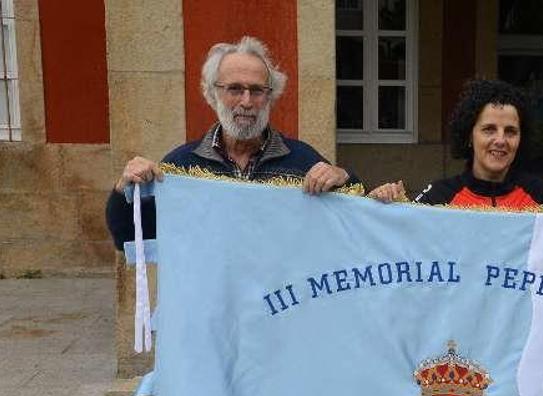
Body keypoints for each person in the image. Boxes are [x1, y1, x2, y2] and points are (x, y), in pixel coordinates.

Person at [105, 36, 357, 249]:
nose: (246, 101)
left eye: (257, 91)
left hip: (281, 305)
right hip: (210, 306)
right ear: (213, 94)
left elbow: (356, 225)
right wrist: (123, 190)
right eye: (235, 89)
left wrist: (344, 176)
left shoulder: (302, 161)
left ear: (271, 97)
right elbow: (128, 237)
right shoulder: (180, 166)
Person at [367, 79, 543, 211]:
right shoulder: (440, 196)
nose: (500, 140)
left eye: (510, 131)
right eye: (489, 129)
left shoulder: (540, 197)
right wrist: (381, 205)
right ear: (469, 136)